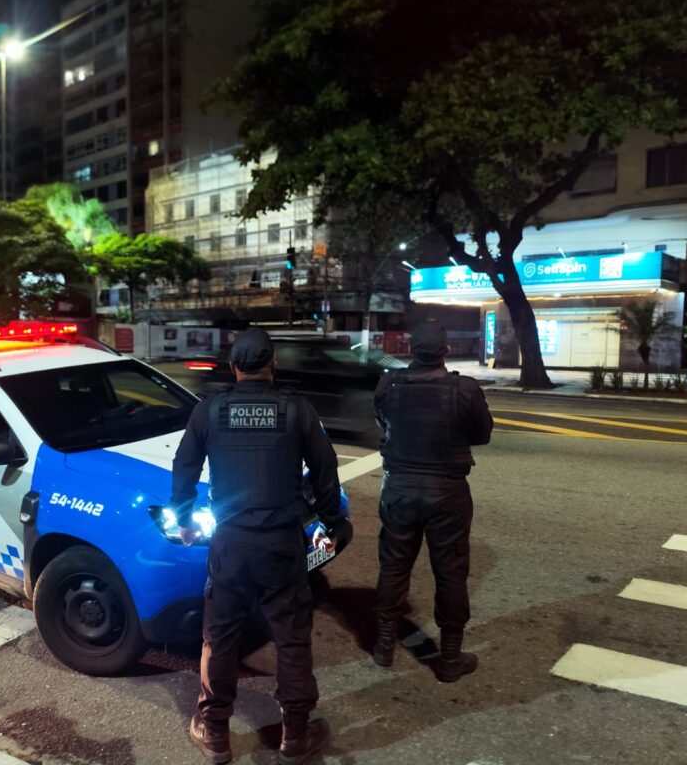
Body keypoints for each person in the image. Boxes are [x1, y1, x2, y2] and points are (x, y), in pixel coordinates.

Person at [171, 327, 349, 765]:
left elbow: (184, 466)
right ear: (273, 364)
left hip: (230, 544)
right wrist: (332, 521)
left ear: (233, 367)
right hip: (281, 545)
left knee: (220, 637)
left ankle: (215, 733)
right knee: (291, 638)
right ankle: (295, 736)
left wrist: (185, 521)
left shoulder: (210, 411)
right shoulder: (297, 409)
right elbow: (324, 469)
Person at [371, 318, 493, 681]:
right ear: (446, 350)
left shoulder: (389, 384)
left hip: (399, 490)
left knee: (393, 567)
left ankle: (384, 647)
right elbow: (482, 434)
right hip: (447, 493)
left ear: (411, 350)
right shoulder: (464, 389)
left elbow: (382, 422)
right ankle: (449, 660)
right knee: (451, 573)